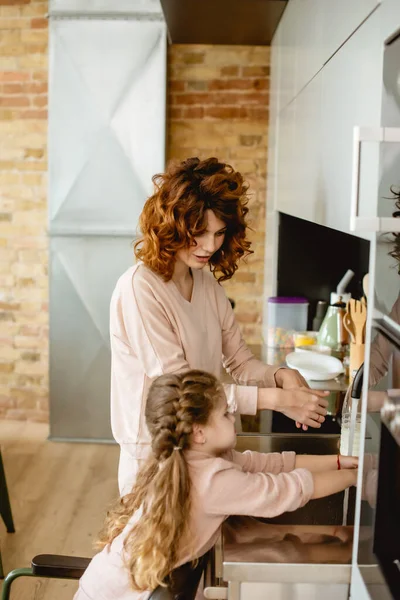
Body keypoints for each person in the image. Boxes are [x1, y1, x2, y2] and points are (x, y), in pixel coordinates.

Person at [110, 156, 329, 494]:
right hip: (157, 457)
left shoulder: (206, 283)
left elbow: (240, 362)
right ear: (171, 226)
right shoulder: (140, 288)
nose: (210, 246)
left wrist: (278, 376)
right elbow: (184, 389)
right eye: (198, 234)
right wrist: (274, 399)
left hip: (205, 448)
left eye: (219, 233)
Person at [74, 370, 358, 600]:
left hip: (107, 584)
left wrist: (337, 462)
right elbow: (289, 489)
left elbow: (271, 465)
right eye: (225, 414)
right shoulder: (212, 481)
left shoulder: (195, 459)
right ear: (199, 432)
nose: (233, 417)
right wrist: (357, 476)